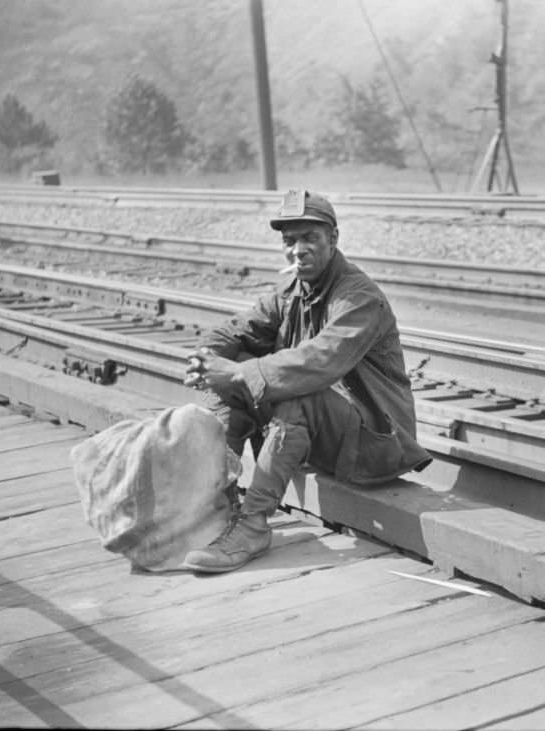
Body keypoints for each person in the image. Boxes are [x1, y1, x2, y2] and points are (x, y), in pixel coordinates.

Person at [181, 189, 432, 573]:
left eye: (309, 238)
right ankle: (221, 508)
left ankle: (252, 527)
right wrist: (207, 358)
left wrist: (234, 373)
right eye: (289, 241)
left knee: (291, 390)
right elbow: (235, 331)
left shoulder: (358, 297)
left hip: (375, 442)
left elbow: (320, 362)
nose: (297, 250)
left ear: (333, 239)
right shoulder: (291, 294)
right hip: (330, 437)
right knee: (238, 369)